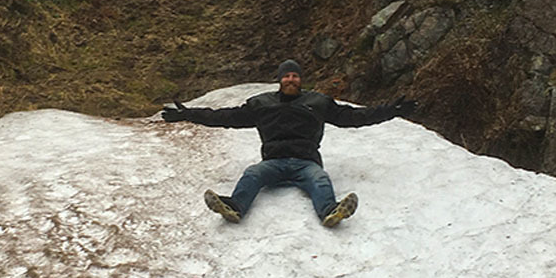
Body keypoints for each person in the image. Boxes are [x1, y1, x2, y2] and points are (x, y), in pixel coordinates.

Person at [162, 59, 417, 227]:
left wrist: (391, 111)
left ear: (300, 80)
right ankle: (234, 207)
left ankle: (331, 211)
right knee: (252, 174)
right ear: (280, 80)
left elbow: (354, 117)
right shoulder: (262, 104)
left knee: (320, 180)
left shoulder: (317, 102)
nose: (291, 79)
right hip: (273, 162)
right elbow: (225, 117)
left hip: (306, 162)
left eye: (295, 76)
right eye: (287, 76)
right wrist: (189, 114)